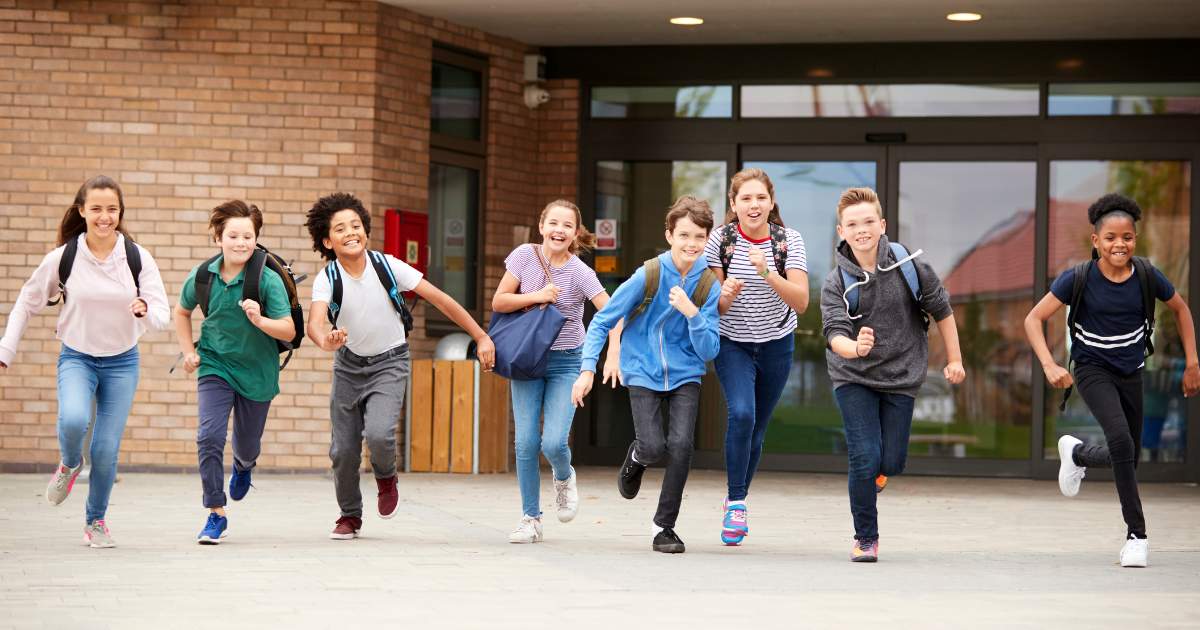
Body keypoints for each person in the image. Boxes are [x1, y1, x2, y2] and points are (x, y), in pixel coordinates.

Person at [306, 192, 496, 540]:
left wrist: (481, 336)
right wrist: (326, 339)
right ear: (326, 240)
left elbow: (442, 300)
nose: (351, 232)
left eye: (356, 225)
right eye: (340, 228)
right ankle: (349, 514)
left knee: (379, 433)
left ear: (365, 230)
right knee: (343, 450)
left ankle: (386, 476)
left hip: (390, 362)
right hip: (348, 367)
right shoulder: (327, 278)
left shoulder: (388, 266)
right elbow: (315, 323)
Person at [1024, 193, 1199, 568]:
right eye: (1111, 238)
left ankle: (1077, 453)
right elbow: (1033, 319)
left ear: (1135, 239)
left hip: (1132, 371)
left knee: (1128, 455)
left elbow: (1181, 310)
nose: (1119, 244)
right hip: (1092, 370)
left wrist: (1192, 362)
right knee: (1121, 441)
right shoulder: (1079, 278)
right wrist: (1049, 365)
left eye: (1127, 237)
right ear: (1096, 241)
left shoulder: (1148, 276)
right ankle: (1137, 535)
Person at [0, 175, 170, 548]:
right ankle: (69, 464)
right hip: (77, 356)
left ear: (120, 212)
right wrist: (6, 351)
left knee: (106, 450)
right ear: (82, 211)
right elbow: (26, 303)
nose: (104, 216)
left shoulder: (137, 258)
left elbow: (162, 317)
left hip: (123, 362)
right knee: (74, 419)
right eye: (96, 209)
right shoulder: (64, 257)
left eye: (112, 209)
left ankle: (95, 521)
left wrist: (144, 311)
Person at [820, 187, 965, 562]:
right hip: (853, 376)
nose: (861, 230)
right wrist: (857, 348)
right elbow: (835, 335)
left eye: (869, 221)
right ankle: (865, 538)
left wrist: (955, 359)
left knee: (893, 461)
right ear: (841, 231)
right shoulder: (835, 283)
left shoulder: (909, 266)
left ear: (882, 225)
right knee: (864, 457)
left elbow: (942, 310)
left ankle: (878, 476)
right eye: (853, 224)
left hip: (902, 374)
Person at [573, 195, 721, 554]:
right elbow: (602, 321)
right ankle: (638, 457)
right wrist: (588, 368)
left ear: (707, 240)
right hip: (641, 370)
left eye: (699, 237)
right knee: (654, 446)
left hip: (686, 373)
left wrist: (693, 314)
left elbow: (710, 350)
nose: (691, 244)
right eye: (684, 235)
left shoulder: (707, 285)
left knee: (682, 446)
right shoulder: (650, 274)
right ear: (669, 234)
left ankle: (664, 526)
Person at [492, 200, 619, 543]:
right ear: (542, 226)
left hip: (566, 361)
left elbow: (610, 314)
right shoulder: (523, 256)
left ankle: (564, 477)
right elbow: (499, 301)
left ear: (575, 233)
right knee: (526, 441)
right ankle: (530, 518)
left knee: (553, 442)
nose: (559, 230)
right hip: (527, 357)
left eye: (567, 225)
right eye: (554, 223)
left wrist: (612, 354)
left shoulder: (580, 272)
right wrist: (536, 296)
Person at [174, 200, 296, 544]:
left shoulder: (266, 280)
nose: (241, 242)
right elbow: (181, 312)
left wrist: (260, 320)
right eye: (233, 235)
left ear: (256, 239)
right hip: (215, 365)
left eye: (248, 236)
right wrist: (189, 352)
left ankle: (244, 467)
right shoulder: (202, 276)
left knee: (246, 445)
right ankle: (215, 512)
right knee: (209, 436)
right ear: (218, 238)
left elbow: (287, 330)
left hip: (257, 373)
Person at [705, 167, 809, 546]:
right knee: (742, 414)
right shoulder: (719, 241)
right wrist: (726, 295)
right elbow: (711, 307)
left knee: (759, 428)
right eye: (745, 198)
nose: (753, 205)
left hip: (777, 342)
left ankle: (737, 498)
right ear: (733, 204)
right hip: (733, 342)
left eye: (760, 198)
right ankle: (736, 502)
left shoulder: (789, 241)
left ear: (771, 201)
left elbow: (801, 301)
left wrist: (767, 272)